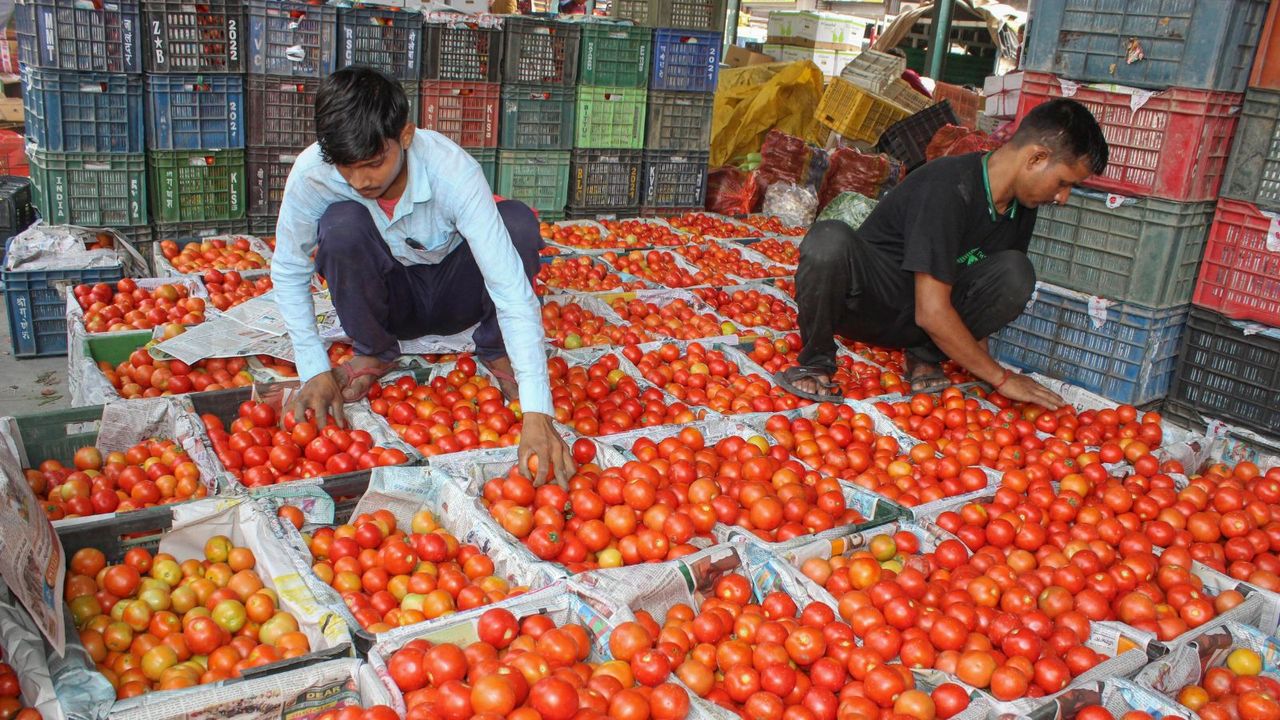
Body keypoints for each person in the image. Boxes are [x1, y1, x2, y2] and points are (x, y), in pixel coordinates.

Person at [270, 66, 575, 485]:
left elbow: (509, 289)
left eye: (374, 163)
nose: (361, 180)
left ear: (406, 136)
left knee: (518, 223)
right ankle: (374, 351)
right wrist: (313, 369)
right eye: (346, 167)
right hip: (392, 300)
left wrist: (538, 411)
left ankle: (495, 348)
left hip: (456, 295)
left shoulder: (452, 171)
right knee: (341, 226)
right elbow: (289, 268)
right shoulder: (313, 175)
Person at [778, 98, 1108, 408]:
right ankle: (816, 363)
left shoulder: (1022, 206)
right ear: (1035, 158)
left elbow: (986, 287)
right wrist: (1002, 378)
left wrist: (982, 374)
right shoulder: (949, 186)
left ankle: (925, 355)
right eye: (1064, 183)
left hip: (922, 320)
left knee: (1016, 271)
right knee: (829, 238)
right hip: (867, 305)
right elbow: (931, 311)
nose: (1063, 198)